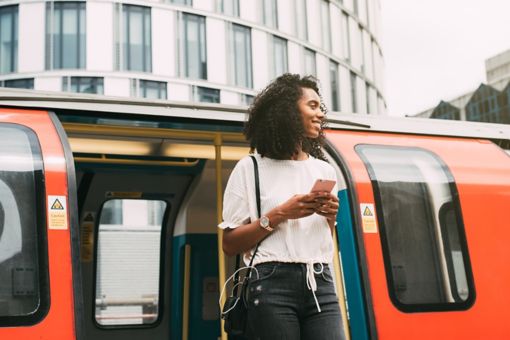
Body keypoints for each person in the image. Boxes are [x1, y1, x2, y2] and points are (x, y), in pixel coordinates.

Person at [219, 73, 345, 340]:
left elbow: (323, 240)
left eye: (320, 107)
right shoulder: (250, 168)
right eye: (312, 105)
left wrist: (330, 217)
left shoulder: (323, 169)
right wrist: (281, 214)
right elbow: (229, 244)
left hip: (320, 280)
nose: (320, 113)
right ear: (287, 111)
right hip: (271, 284)